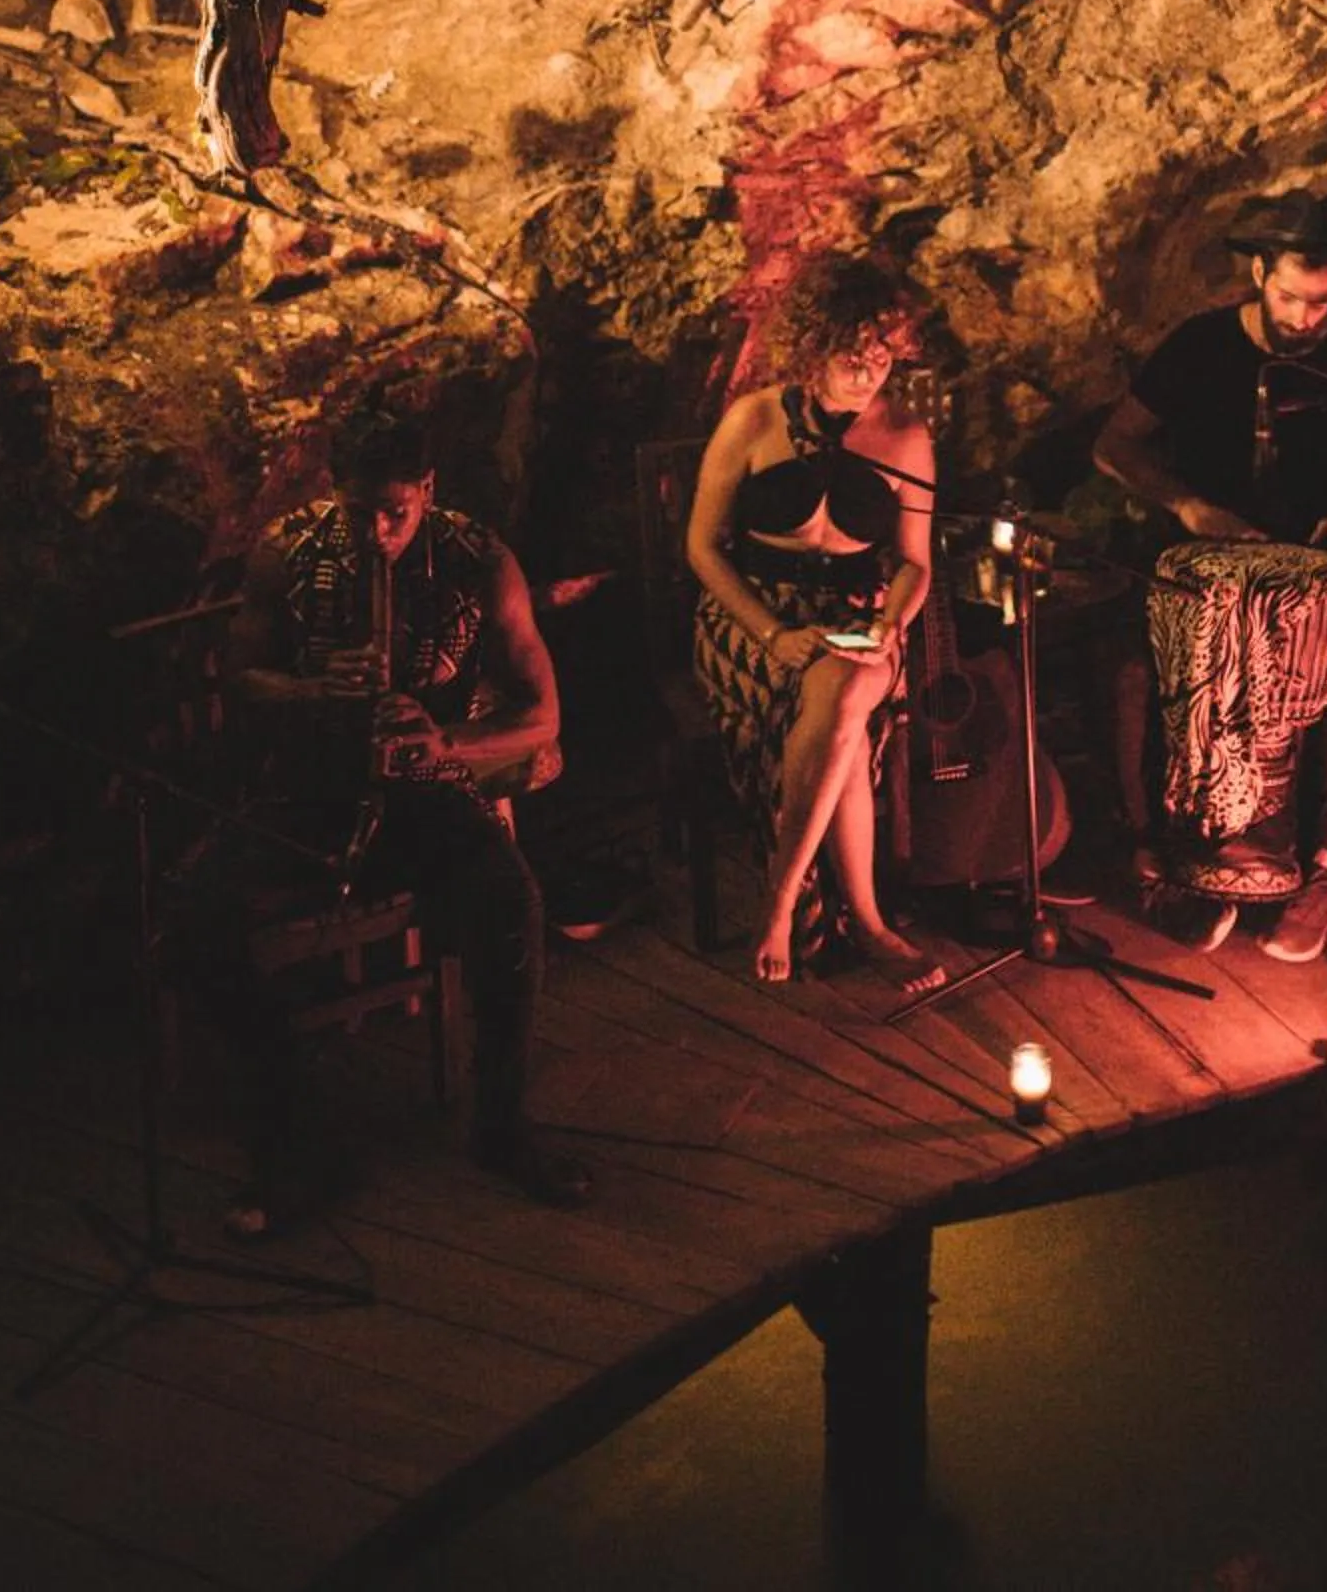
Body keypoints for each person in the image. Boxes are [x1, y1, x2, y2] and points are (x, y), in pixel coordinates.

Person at [209, 406, 591, 1215]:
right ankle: (295, 1141)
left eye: (396, 511)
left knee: (509, 902)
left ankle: (501, 1123)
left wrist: (441, 741)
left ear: (427, 489)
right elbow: (242, 678)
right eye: (359, 512)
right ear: (332, 493)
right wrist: (314, 689)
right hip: (310, 784)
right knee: (198, 915)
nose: (378, 532)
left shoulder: (477, 559)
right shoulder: (289, 550)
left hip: (425, 790)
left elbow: (541, 714)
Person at [1092, 189, 1327, 962]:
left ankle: (1324, 872)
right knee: (1126, 671)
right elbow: (1114, 447)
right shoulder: (1201, 347)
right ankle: (1158, 851)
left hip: (1312, 582)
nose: (1308, 317)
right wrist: (1184, 504)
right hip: (1206, 574)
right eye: (1291, 297)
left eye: (1323, 300)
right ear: (1256, 272)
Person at [686, 254, 942, 988]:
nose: (868, 378)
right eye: (851, 359)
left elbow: (915, 564)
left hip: (859, 616)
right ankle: (867, 921)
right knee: (845, 705)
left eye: (882, 361)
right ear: (811, 347)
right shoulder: (755, 420)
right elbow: (702, 548)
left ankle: (781, 901)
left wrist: (893, 623)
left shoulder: (905, 437)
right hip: (753, 615)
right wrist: (772, 633)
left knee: (847, 689)